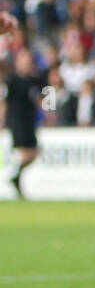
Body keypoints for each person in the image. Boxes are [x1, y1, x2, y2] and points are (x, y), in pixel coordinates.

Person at [5, 45, 41, 198]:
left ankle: (15, 176)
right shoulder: (12, 80)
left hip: (30, 120)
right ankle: (13, 175)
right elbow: (4, 101)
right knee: (24, 152)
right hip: (17, 120)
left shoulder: (35, 80)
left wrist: (50, 112)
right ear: (18, 62)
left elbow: (43, 97)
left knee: (34, 153)